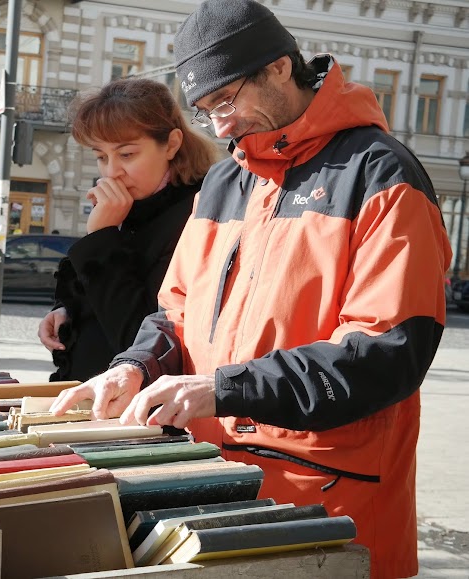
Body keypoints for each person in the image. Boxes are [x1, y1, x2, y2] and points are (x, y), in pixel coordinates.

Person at [50, 2, 451, 577]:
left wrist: (223, 389)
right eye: (205, 109)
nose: (219, 126)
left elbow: (385, 353)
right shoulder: (226, 179)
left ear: (280, 68)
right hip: (221, 483)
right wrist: (135, 365)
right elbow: (176, 312)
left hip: (335, 498)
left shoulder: (382, 174)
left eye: (227, 101)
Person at [37, 77, 218, 382]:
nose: (112, 171)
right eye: (100, 156)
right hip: (88, 395)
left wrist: (100, 238)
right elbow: (92, 292)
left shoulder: (196, 214)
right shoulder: (126, 207)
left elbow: (142, 336)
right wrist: (67, 310)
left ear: (171, 144)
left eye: (127, 154)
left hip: (138, 410)